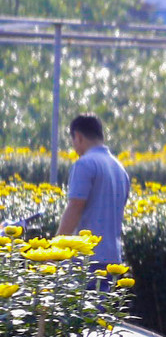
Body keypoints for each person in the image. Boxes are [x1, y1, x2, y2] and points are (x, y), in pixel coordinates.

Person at [58, 114, 130, 269]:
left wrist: (55, 249)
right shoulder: (120, 169)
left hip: (87, 258)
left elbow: (75, 207)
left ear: (78, 136)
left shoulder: (84, 164)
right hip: (113, 258)